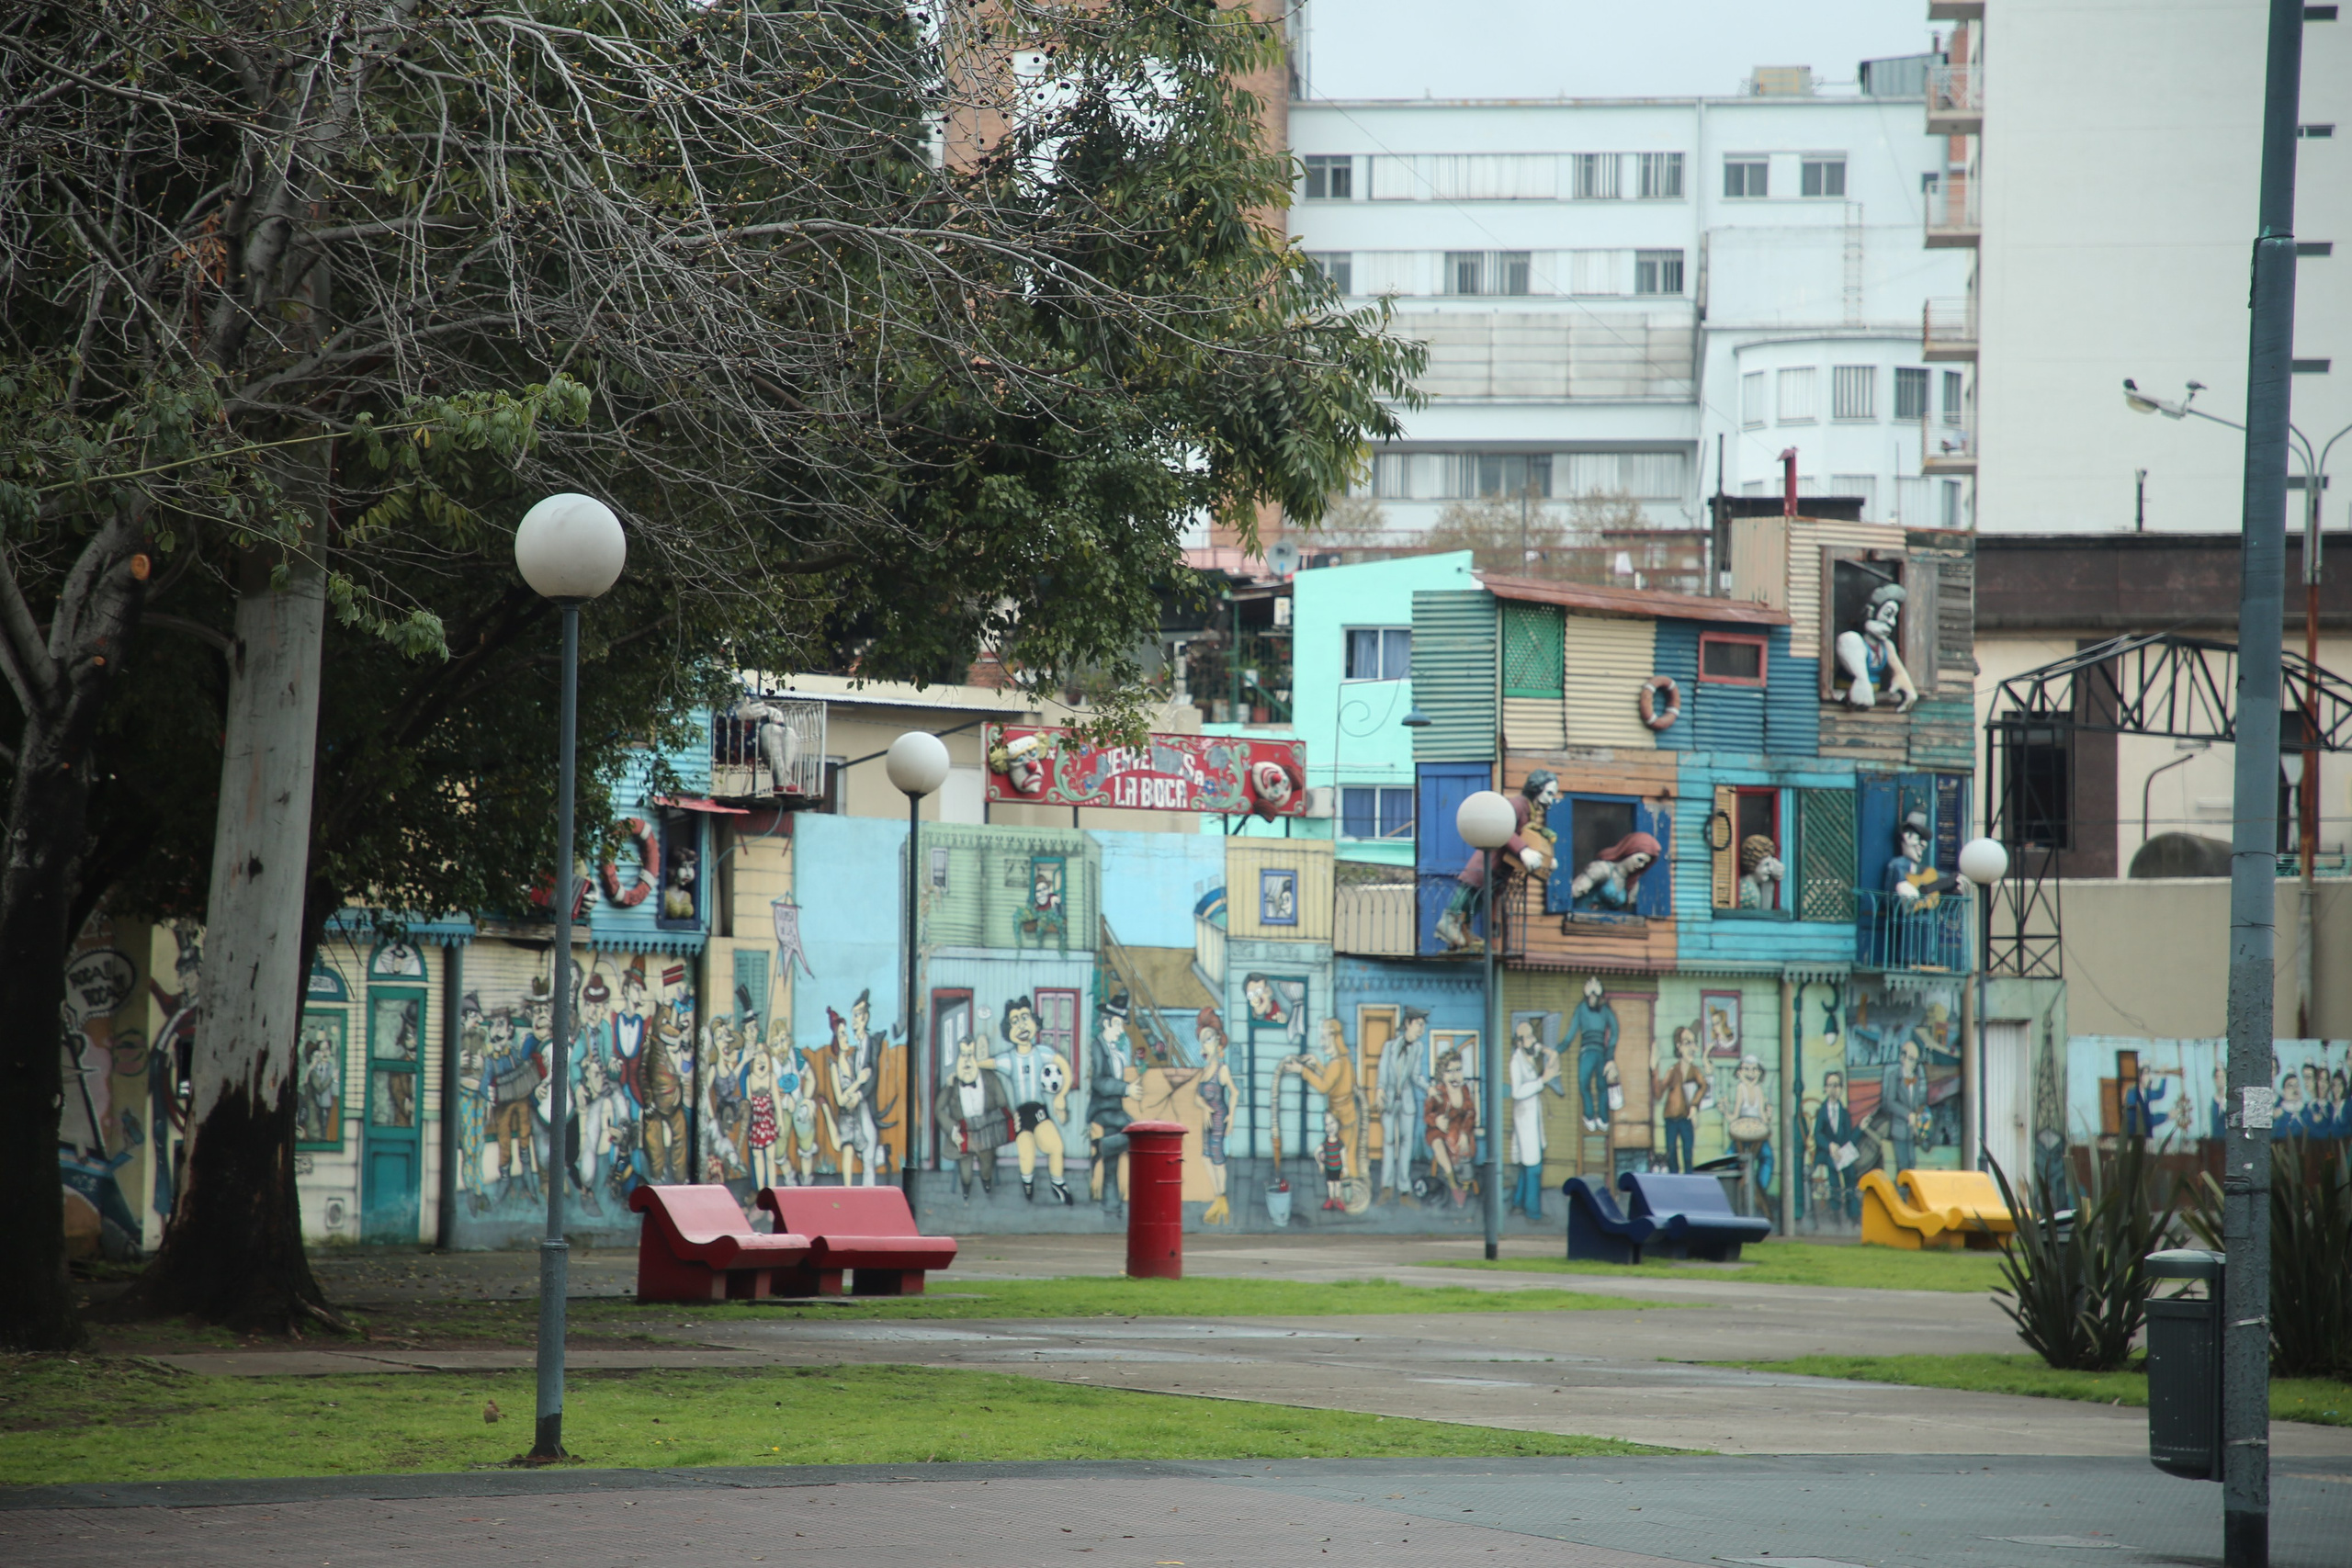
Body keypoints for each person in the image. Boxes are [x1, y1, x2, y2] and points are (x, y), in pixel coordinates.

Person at [1433, 772, 1559, 951]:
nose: (1551, 801)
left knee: (1478, 900)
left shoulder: (1529, 810)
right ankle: (1448, 921)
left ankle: (1463, 930)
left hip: (1498, 870)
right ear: (1536, 789)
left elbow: (1529, 836)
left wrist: (1546, 860)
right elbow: (1504, 827)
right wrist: (1522, 850)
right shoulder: (1517, 805)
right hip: (1488, 861)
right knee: (1469, 891)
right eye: (1549, 794)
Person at [980, 995, 1073, 1204]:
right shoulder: (1009, 1059)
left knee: (1056, 1146)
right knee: (1026, 1154)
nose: (1021, 1025)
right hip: (1021, 1114)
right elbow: (987, 1063)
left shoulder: (1042, 1053)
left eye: (1025, 1018)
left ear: (1034, 1022)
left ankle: (1058, 1183)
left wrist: (1061, 1095)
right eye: (1015, 1021)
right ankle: (1028, 1184)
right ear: (1008, 1030)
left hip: (1039, 1111)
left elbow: (1065, 1067)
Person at [1281, 1017, 1363, 1184]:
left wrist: (1303, 1070)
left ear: (1335, 1038)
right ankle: (1347, 1193)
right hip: (1348, 1116)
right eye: (1321, 1037)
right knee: (1347, 1158)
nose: (1321, 1042)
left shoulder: (1336, 1063)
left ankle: (1350, 1194)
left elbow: (1324, 1086)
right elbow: (1333, 1080)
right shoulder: (1343, 1060)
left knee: (1344, 1160)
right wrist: (1317, 1064)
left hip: (1342, 1119)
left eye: (1325, 1037)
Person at [1085, 993, 1143, 1214]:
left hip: (1114, 1110)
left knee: (1111, 1163)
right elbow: (1099, 1082)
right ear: (1107, 1022)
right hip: (1101, 1109)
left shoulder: (1116, 1050)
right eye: (1118, 1024)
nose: (1121, 1029)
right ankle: (1101, 1147)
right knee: (1136, 1135)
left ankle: (1111, 1205)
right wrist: (1126, 1089)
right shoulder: (1098, 1047)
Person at [936, 1033, 1012, 1198]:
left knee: (986, 1164)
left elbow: (1003, 1103)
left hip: (985, 1129)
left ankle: (986, 1182)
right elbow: (939, 1110)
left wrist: (999, 1122)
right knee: (966, 1171)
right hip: (962, 1132)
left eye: (971, 1055)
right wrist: (952, 1129)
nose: (967, 1060)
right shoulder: (952, 1083)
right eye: (963, 1055)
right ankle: (966, 1187)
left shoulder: (990, 1078)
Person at [1506, 1018, 1561, 1218]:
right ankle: (1533, 1212)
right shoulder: (1516, 1061)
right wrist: (1542, 1081)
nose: (1533, 1039)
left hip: (1532, 1117)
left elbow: (1544, 1050)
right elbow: (1517, 1091)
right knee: (1533, 1167)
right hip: (1524, 1118)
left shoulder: (1529, 1052)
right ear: (1519, 1042)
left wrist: (1548, 1051)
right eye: (1528, 1036)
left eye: (1533, 1034)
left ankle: (1518, 1203)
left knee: (1525, 1165)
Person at [1835, 581, 1917, 711]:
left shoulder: (1887, 646)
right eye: (1887, 614)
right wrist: (1862, 681)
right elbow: (1848, 644)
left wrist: (1907, 687)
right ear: (1870, 612)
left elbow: (1899, 670)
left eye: (1894, 616)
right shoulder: (1854, 641)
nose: (1892, 622)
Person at [1376, 1008, 1431, 1204]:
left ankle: (1404, 1188)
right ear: (1408, 1023)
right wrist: (1380, 1090)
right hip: (1390, 1099)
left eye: (1423, 1026)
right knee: (1389, 1142)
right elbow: (1383, 1071)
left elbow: (1416, 1076)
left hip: (1407, 1100)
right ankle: (1387, 1186)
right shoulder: (1389, 1046)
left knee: (1406, 1144)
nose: (1422, 1030)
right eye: (1419, 1024)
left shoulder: (1418, 1048)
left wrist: (1429, 1089)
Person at [1195, 1009, 1238, 1224]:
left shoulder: (1222, 1069)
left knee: (1217, 1158)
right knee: (1205, 1158)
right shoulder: (1205, 1070)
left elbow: (1234, 1092)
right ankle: (1218, 1199)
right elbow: (1197, 1097)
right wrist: (1203, 1106)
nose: (1206, 1044)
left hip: (1219, 1117)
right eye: (1203, 1040)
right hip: (1207, 1119)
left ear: (1218, 1041)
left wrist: (1231, 1116)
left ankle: (1222, 1200)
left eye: (1209, 1039)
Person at [1423, 1049, 1480, 1207]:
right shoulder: (1438, 1093)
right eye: (1449, 1072)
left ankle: (1465, 1180)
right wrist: (1436, 1119)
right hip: (1439, 1131)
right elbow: (1427, 1115)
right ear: (1442, 1075)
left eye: (1458, 1070)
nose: (1455, 1076)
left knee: (1464, 1145)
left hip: (1460, 1129)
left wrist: (1463, 1133)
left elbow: (1470, 1113)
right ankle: (1453, 1183)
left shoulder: (1465, 1090)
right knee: (1438, 1145)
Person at [1654, 1025, 1709, 1174]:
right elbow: (1658, 1093)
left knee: (1687, 1153)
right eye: (1687, 1043)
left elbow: (1704, 1085)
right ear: (1679, 1047)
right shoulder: (1673, 1071)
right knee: (1671, 1154)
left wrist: (1694, 1106)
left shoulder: (1695, 1071)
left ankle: (1689, 1182)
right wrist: (1654, 1069)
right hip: (1671, 1119)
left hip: (1686, 1118)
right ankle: (1674, 1182)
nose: (1692, 1047)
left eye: (1694, 1042)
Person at [1811, 1070, 1861, 1227]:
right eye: (1831, 1085)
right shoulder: (1822, 1111)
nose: (1834, 1089)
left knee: (1850, 1172)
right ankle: (1835, 1209)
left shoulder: (1844, 1113)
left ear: (1841, 1089)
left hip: (1842, 1153)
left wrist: (1860, 1128)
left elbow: (1848, 1137)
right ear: (1825, 1088)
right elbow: (1817, 1134)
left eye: (1837, 1085)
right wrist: (1830, 1145)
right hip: (1825, 1153)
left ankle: (1853, 1212)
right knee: (1833, 1168)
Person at [1568, 976, 1618, 1133]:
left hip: (1599, 1053)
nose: (1592, 999)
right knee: (1584, 1084)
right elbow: (1571, 1034)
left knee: (1601, 1086)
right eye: (1590, 996)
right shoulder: (1581, 1009)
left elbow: (1615, 1031)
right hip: (1587, 1052)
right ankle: (1590, 1116)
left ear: (1599, 997)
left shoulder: (1605, 1011)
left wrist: (1609, 1054)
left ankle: (1602, 1118)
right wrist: (1559, 1049)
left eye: (1595, 996)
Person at [1568, 830, 1664, 913]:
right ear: (1629, 851)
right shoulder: (1603, 869)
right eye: (1640, 860)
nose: (1641, 865)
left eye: (1645, 863)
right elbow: (1575, 890)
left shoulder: (1631, 883)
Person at [1737, 835, 1784, 910]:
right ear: (1754, 863)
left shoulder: (1750, 885)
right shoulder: (1749, 892)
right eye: (1766, 865)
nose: (1770, 869)